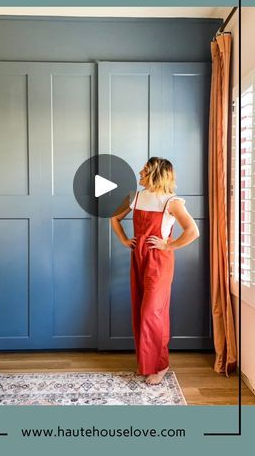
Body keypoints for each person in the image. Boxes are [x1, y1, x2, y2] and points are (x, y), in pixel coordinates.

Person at [110, 157, 200, 385]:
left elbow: (192, 231)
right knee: (141, 310)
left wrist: (168, 245)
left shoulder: (172, 201)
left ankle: (160, 365)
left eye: (145, 169)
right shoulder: (135, 196)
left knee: (153, 313)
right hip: (138, 259)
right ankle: (147, 364)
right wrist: (123, 240)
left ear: (157, 174)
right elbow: (114, 217)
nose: (140, 171)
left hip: (159, 262)